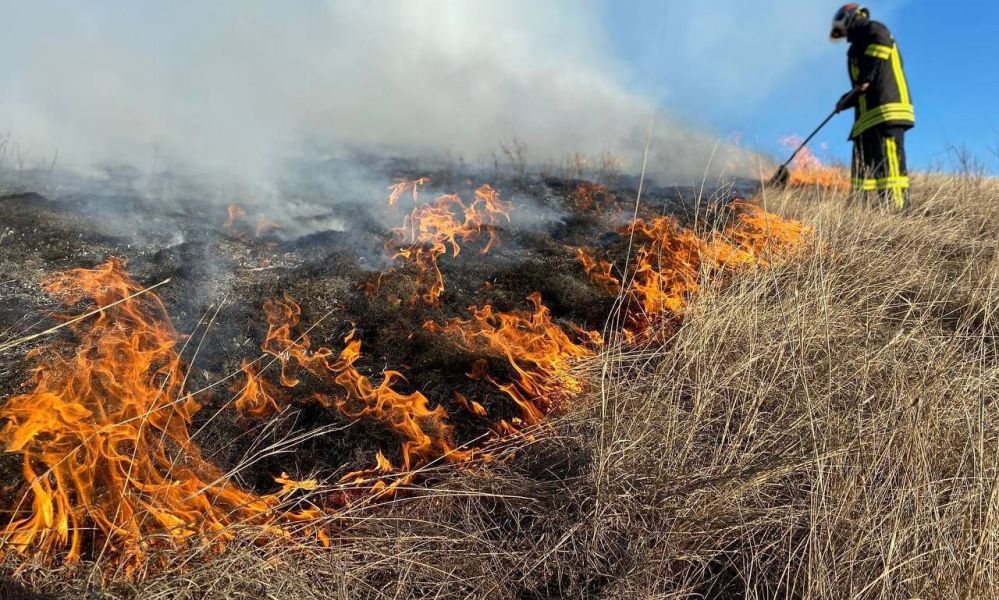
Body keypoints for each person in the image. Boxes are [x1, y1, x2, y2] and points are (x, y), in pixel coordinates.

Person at [832, 4, 914, 210]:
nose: (845, 35)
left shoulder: (874, 29)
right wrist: (845, 100)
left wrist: (866, 78)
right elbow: (860, 86)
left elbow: (874, 62)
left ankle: (897, 211)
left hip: (886, 110)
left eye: (844, 31)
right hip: (866, 118)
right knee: (863, 166)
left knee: (889, 166)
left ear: (848, 18)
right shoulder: (857, 45)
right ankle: (861, 212)